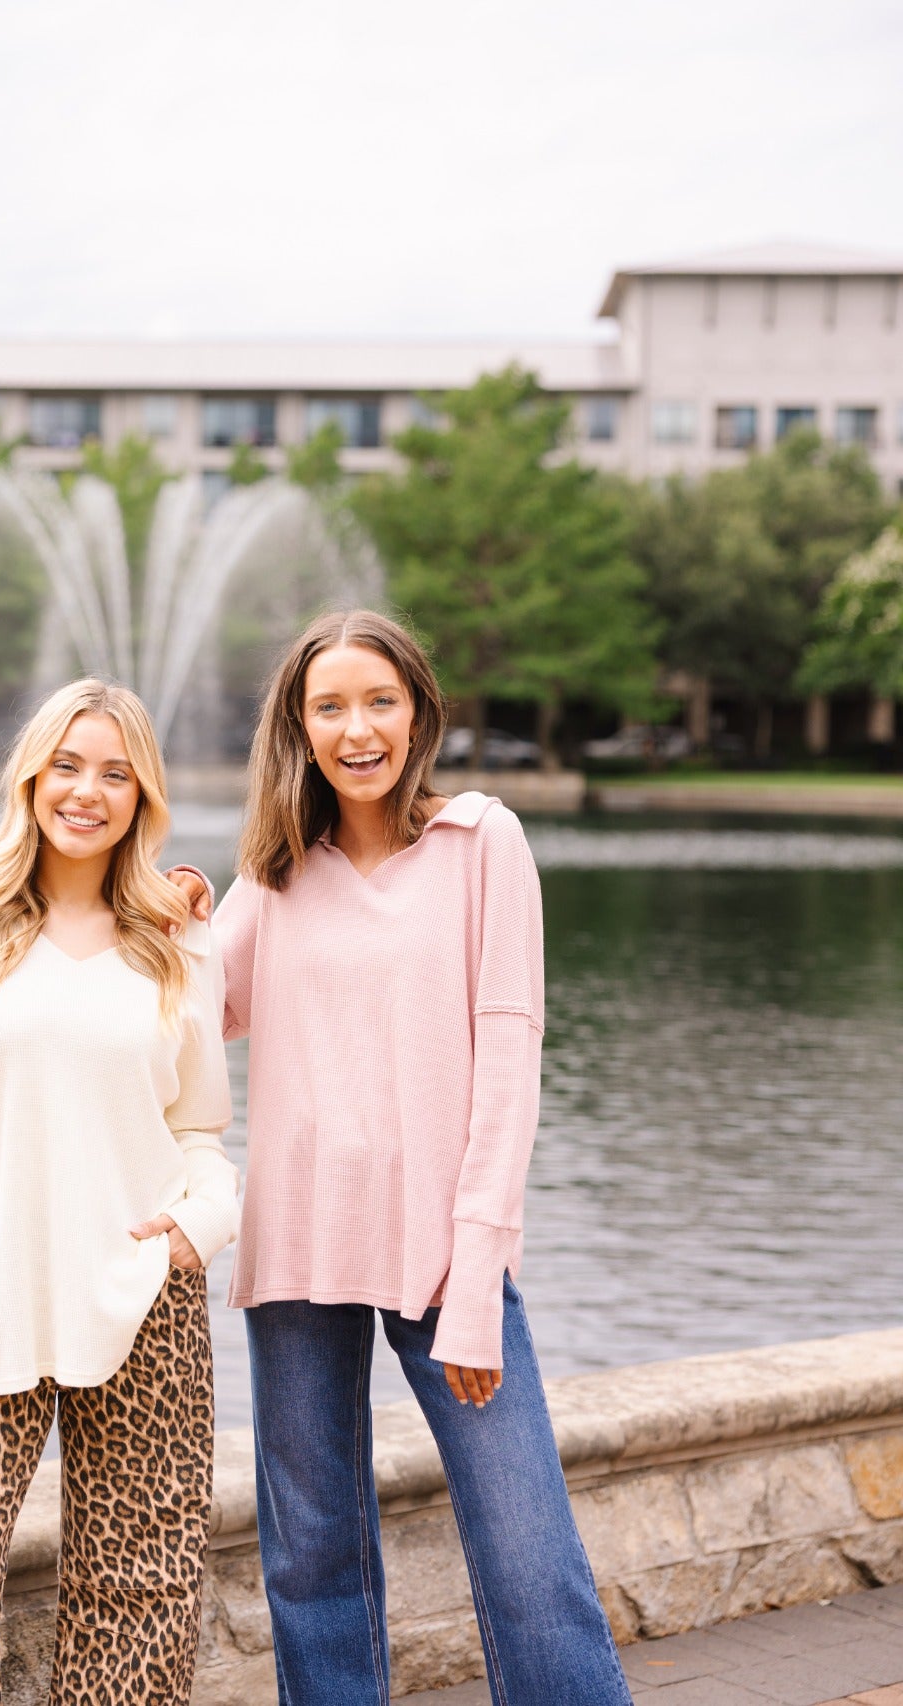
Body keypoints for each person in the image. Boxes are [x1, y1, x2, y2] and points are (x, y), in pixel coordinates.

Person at [167, 612, 632, 1706]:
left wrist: (478, 1275)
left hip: (443, 1251)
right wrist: (180, 912)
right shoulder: (278, 869)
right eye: (328, 707)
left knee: (526, 1554)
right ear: (299, 727)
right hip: (296, 1246)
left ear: (419, 712)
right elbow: (197, 1015)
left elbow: (508, 1061)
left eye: (378, 701)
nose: (357, 729)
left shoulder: (479, 843)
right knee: (311, 1557)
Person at [0, 679, 238, 1706]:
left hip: (146, 1294)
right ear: (30, 777)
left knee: (140, 1597)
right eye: (67, 765)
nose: (87, 791)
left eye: (116, 773)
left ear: (142, 797)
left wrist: (202, 1225)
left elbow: (200, 1129)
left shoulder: (177, 939)